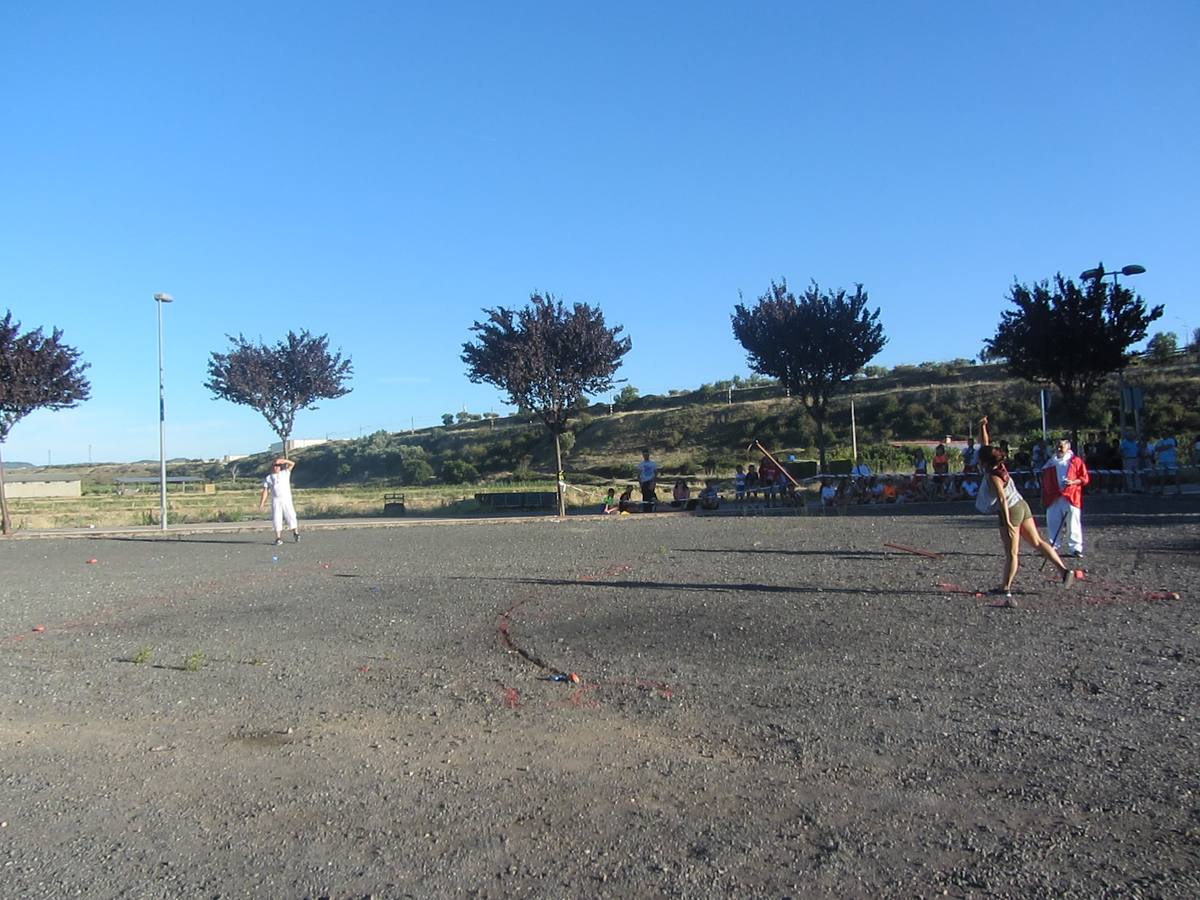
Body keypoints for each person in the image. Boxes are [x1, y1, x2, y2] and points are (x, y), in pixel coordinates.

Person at [978, 416, 1075, 606]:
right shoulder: (1000, 465)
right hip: (1022, 505)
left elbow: (1002, 499)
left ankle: (1005, 587)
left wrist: (1007, 524)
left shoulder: (993, 476)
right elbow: (986, 445)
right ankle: (1064, 571)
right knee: (1038, 541)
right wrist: (983, 427)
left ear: (985, 462)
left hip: (1011, 510)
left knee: (1012, 553)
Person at [1041, 437, 1089, 558]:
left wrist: (1073, 482)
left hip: (1071, 497)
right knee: (1052, 521)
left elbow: (1085, 478)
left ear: (1068, 447)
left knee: (1073, 523)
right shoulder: (1051, 463)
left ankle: (1076, 548)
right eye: (1057, 446)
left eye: (1061, 446)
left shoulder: (1076, 461)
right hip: (1054, 498)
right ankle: (1053, 547)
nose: (1058, 449)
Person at [259, 457, 299, 546]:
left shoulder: (285, 473)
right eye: (275, 466)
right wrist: (262, 503)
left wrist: (284, 461)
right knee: (277, 518)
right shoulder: (269, 478)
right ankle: (278, 538)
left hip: (286, 499)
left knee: (291, 515)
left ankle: (295, 532)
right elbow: (265, 491)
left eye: (278, 466)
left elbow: (292, 464)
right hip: (276, 500)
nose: (276, 467)